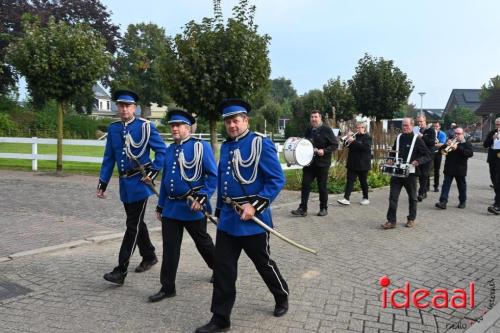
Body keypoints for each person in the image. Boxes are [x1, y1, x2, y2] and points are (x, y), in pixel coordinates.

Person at [195, 99, 288, 333]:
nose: (232, 125)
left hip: (252, 222)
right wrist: (215, 212)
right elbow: (222, 182)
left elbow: (277, 179)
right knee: (223, 268)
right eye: (228, 121)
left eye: (236, 120)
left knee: (263, 264)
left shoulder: (260, 143)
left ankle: (281, 295)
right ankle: (220, 319)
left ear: (245, 120)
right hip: (228, 220)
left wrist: (255, 206)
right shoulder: (226, 147)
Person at [97, 89, 167, 285]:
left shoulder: (145, 127)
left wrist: (152, 172)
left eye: (128, 106)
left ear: (134, 108)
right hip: (124, 184)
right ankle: (150, 255)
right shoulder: (114, 128)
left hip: (140, 183)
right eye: (121, 105)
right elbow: (109, 157)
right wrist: (103, 182)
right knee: (136, 223)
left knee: (132, 225)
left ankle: (121, 270)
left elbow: (162, 151)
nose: (124, 109)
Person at [149, 109, 217, 302]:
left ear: (188, 127)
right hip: (171, 208)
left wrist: (202, 198)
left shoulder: (200, 147)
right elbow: (166, 181)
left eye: (178, 125)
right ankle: (167, 287)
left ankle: (219, 270)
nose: (174, 129)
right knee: (170, 249)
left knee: (203, 243)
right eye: (172, 125)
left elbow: (213, 176)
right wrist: (160, 206)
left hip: (192, 207)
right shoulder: (170, 150)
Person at [381, 118, 431, 229]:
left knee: (412, 198)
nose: (405, 127)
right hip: (397, 173)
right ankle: (391, 221)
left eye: (407, 125)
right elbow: (393, 151)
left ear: (412, 126)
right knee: (393, 197)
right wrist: (390, 159)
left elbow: (427, 155)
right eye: (403, 125)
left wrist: (418, 161)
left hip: (411, 174)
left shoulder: (417, 139)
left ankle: (411, 219)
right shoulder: (398, 137)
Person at [291, 110, 338, 217]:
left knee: (322, 187)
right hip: (309, 163)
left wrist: (324, 151)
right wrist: (298, 141)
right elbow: (305, 143)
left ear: (320, 118)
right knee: (305, 185)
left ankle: (323, 208)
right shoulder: (309, 129)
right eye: (312, 117)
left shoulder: (326, 129)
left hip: (322, 164)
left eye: (316, 117)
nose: (313, 119)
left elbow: (335, 144)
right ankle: (303, 208)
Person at [435, 127, 473, 209]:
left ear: (463, 134)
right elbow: (440, 152)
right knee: (445, 186)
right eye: (455, 133)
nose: (456, 135)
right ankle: (443, 202)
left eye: (459, 134)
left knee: (461, 186)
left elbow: (470, 153)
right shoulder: (450, 141)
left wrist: (457, 148)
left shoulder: (466, 143)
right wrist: (445, 145)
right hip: (449, 168)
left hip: (460, 169)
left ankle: (462, 201)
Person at [337, 122, 372, 206]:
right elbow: (346, 145)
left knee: (363, 181)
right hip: (352, 163)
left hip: (363, 164)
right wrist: (347, 137)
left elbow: (365, 147)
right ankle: (346, 199)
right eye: (357, 127)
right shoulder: (354, 137)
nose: (358, 129)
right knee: (350, 181)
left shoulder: (368, 137)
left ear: (364, 128)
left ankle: (365, 198)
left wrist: (354, 141)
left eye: (360, 127)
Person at [415, 116, 435, 201]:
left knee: (424, 174)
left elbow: (431, 142)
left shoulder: (431, 130)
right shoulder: (416, 130)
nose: (420, 123)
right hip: (419, 155)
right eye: (418, 122)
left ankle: (421, 193)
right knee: (420, 175)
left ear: (425, 121)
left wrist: (422, 136)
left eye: (421, 121)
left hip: (428, 155)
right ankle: (424, 191)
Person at [483, 118, 500, 189]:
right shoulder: (492, 132)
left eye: (499, 124)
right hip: (493, 157)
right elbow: (485, 145)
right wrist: (492, 138)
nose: (498, 126)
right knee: (493, 174)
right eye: (497, 124)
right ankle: (496, 186)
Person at [432, 122, 447, 192]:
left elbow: (442, 144)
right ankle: (426, 186)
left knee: (436, 170)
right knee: (427, 170)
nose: (435, 128)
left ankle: (436, 186)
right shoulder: (430, 133)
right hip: (430, 153)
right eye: (434, 126)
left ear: (439, 126)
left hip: (438, 153)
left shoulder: (442, 134)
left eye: (437, 126)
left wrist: (431, 144)